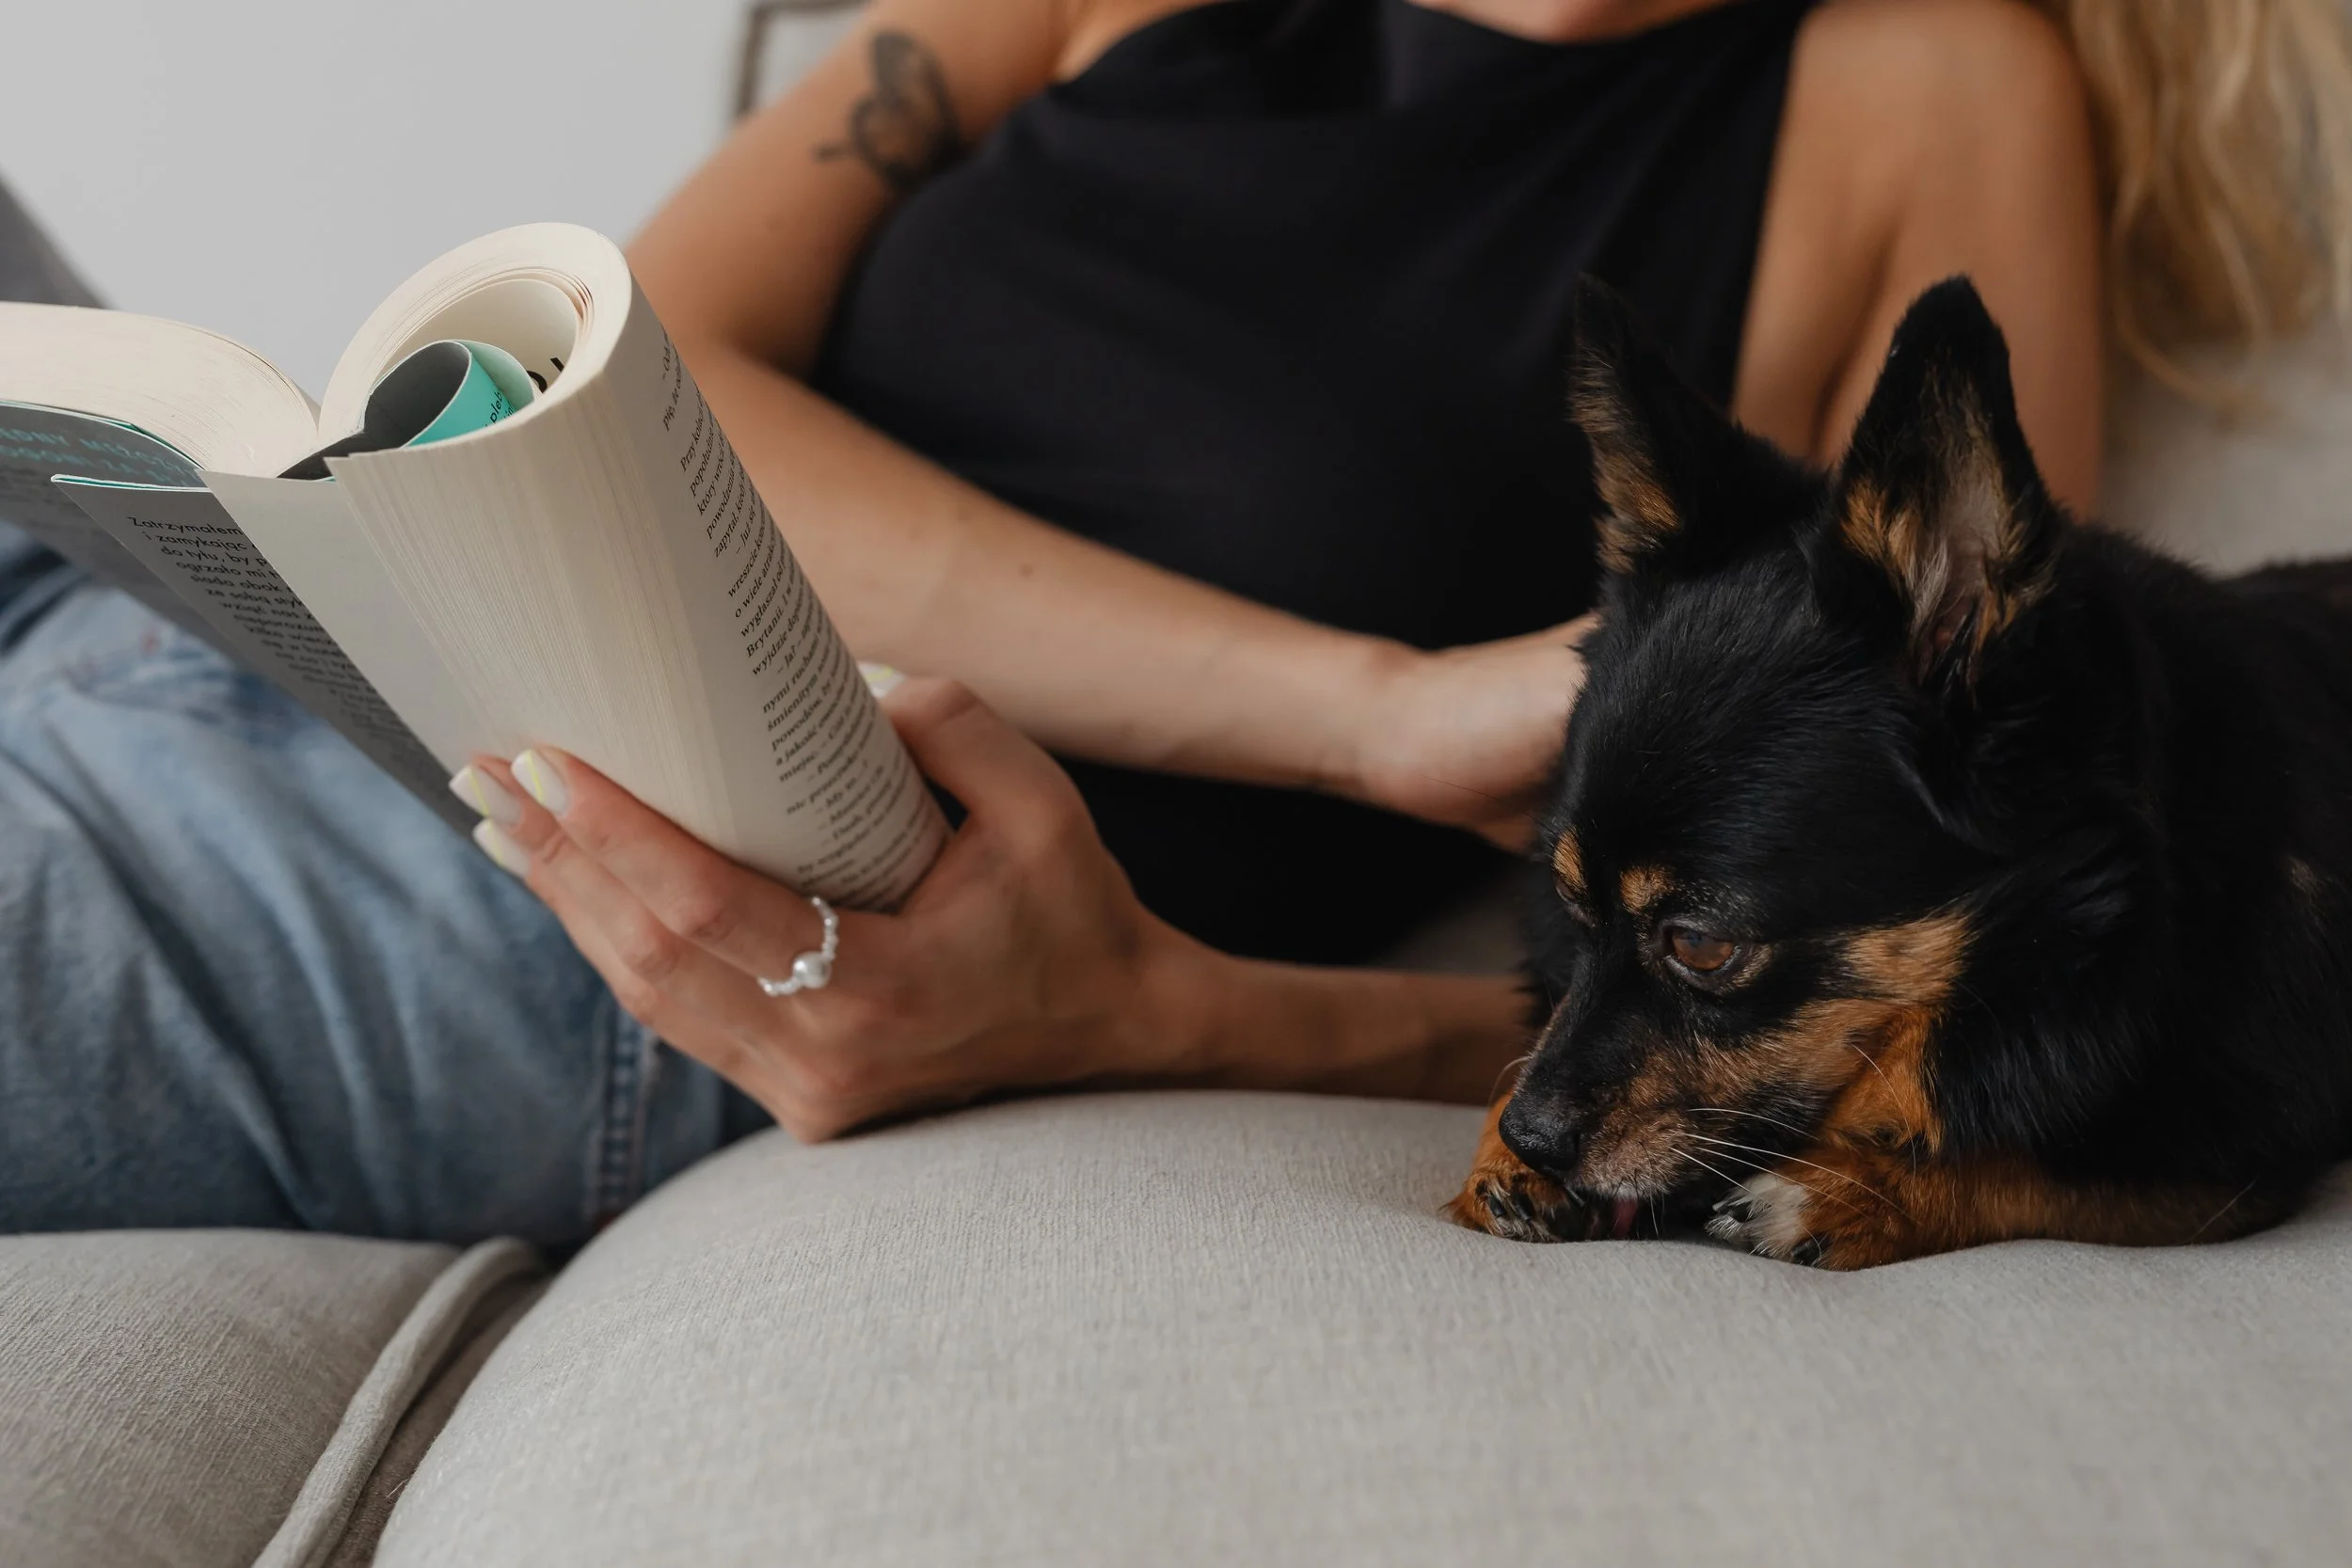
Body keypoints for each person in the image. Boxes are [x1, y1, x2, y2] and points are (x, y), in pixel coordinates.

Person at [2, 0, 2344, 1244]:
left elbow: (1968, 866)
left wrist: (1169, 1014)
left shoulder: (1917, 82)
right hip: (231, 594)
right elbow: (650, 374)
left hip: (565, 893)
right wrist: (1365, 712)